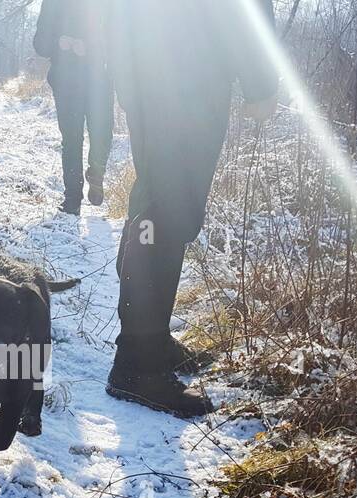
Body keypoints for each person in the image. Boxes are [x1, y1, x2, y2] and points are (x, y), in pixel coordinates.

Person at [105, 0, 279, 417]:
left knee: (153, 205)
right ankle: (136, 365)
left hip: (149, 60)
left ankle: (149, 340)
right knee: (167, 211)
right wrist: (260, 82)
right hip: (189, 71)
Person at [33, 0, 114, 216]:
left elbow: (118, 39)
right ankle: (72, 198)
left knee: (102, 133)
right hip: (66, 81)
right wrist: (59, 42)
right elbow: (40, 44)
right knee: (71, 139)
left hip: (99, 80)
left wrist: (89, 47)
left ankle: (96, 173)